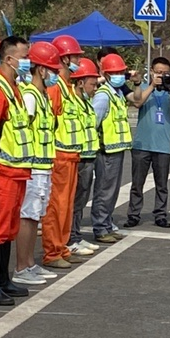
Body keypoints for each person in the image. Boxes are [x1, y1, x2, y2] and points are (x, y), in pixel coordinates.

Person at [0, 35, 35, 306]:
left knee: (9, 227)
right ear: (10, 58)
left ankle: (3, 280)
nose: (27, 62)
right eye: (24, 57)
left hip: (17, 171)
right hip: (2, 170)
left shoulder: (13, 87)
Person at [13, 42, 61, 285]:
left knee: (36, 217)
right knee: (28, 216)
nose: (55, 75)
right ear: (41, 70)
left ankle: (30, 263)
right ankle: (22, 266)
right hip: (32, 167)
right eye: (52, 69)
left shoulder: (41, 96)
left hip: (43, 165)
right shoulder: (30, 96)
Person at [41, 35, 86, 269]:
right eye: (76, 56)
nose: (79, 60)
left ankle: (62, 246)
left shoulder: (67, 87)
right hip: (59, 155)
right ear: (65, 58)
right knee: (55, 207)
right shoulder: (56, 87)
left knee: (66, 207)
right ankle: (52, 250)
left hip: (71, 155)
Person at [124, 56, 170, 229]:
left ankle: (160, 214)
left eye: (165, 73)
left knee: (162, 184)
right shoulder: (141, 87)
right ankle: (134, 214)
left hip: (162, 145)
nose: (162, 76)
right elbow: (138, 102)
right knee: (137, 183)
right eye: (158, 72)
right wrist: (151, 85)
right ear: (151, 72)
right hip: (142, 144)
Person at [92, 53, 133, 242]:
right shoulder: (103, 96)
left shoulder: (117, 94)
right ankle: (100, 227)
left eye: (122, 72)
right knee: (104, 190)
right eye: (115, 72)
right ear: (106, 75)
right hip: (106, 151)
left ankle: (107, 224)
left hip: (116, 149)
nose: (120, 75)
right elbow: (94, 122)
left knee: (112, 191)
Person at [67, 58, 102, 255]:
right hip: (77, 158)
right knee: (73, 201)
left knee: (80, 201)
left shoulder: (86, 103)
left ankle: (76, 235)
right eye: (92, 84)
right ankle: (69, 238)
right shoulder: (71, 101)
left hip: (88, 157)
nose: (95, 88)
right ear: (80, 82)